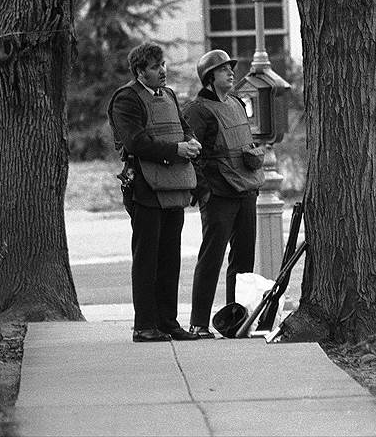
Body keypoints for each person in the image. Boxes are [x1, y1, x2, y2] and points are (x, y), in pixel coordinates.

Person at [108, 43, 203, 342]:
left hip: (174, 184)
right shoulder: (126, 99)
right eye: (155, 67)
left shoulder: (170, 95)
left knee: (170, 257)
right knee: (147, 258)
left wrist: (192, 142)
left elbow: (183, 127)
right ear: (140, 72)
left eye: (162, 64)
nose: (162, 70)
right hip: (145, 188)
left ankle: (168, 322)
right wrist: (177, 149)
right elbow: (136, 142)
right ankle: (145, 326)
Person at [183, 49, 265, 338]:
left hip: (245, 190)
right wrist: (203, 192)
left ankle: (236, 321)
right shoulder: (197, 110)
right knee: (212, 257)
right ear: (209, 77)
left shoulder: (235, 103)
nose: (231, 73)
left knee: (244, 261)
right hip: (218, 195)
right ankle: (198, 323)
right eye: (223, 70)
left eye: (231, 68)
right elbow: (191, 155)